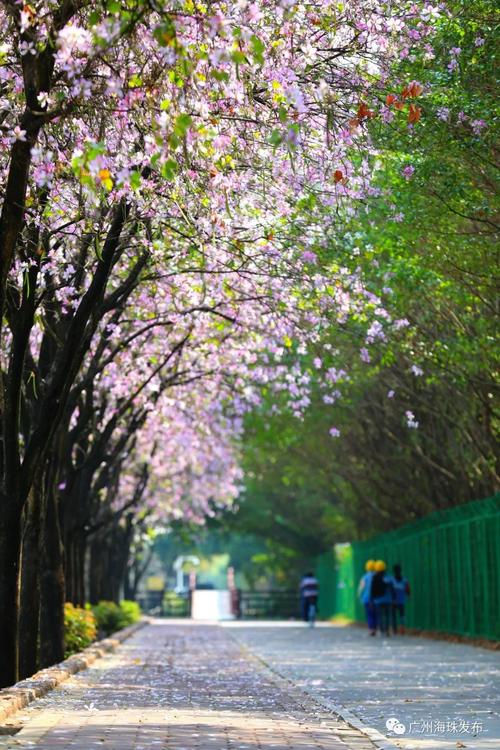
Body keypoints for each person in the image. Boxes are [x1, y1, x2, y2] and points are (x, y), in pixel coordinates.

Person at [370, 560, 393, 636]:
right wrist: (394, 597)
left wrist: (372, 599)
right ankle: (387, 630)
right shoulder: (388, 577)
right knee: (387, 615)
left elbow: (372, 589)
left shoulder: (374, 578)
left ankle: (382, 629)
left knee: (380, 615)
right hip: (388, 599)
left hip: (378, 600)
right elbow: (392, 588)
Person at [358, 559, 377, 635]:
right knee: (376, 614)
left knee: (369, 614)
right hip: (376, 599)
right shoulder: (377, 576)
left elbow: (361, 588)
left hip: (366, 599)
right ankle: (375, 628)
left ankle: (371, 629)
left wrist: (359, 595)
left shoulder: (365, 577)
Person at [391, 563, 410, 634]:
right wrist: (408, 595)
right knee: (402, 614)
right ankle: (402, 628)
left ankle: (394, 629)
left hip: (393, 600)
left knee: (394, 615)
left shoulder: (392, 579)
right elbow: (407, 589)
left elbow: (390, 590)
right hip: (402, 600)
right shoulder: (404, 580)